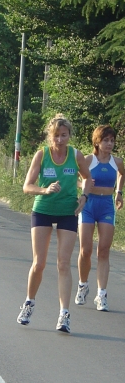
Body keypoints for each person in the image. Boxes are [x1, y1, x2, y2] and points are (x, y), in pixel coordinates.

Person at [16, 114, 92, 333]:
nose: (60, 140)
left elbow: (87, 178)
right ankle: (29, 303)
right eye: (56, 136)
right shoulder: (42, 155)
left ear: (69, 135)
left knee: (63, 263)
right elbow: (27, 186)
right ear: (50, 137)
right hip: (43, 210)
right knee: (39, 263)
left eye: (64, 135)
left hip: (68, 211)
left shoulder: (76, 155)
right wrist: (44, 190)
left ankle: (64, 315)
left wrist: (84, 197)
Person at [75, 125, 125, 312]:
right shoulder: (88, 160)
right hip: (88, 205)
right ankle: (82, 285)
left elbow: (122, 174)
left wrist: (118, 192)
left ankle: (101, 294)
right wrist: (83, 183)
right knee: (85, 250)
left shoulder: (117, 162)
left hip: (106, 206)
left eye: (112, 140)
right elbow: (74, 176)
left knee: (104, 250)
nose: (109, 144)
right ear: (97, 141)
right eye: (106, 140)